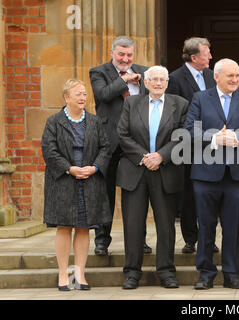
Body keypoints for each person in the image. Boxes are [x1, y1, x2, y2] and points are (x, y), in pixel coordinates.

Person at [185, 58, 239, 290]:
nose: (235, 80)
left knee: (233, 227)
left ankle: (232, 274)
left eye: (237, 76)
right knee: (206, 226)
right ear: (216, 77)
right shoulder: (200, 98)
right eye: (230, 76)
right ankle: (206, 274)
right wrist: (215, 138)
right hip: (205, 176)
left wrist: (236, 137)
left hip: (236, 176)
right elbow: (189, 130)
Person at [117, 66, 189, 290]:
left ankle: (166, 272)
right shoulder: (131, 103)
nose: (158, 83)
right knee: (133, 224)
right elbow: (122, 133)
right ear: (145, 83)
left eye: (162, 80)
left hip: (165, 171)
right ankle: (132, 272)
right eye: (153, 80)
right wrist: (144, 157)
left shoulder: (180, 104)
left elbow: (183, 136)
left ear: (167, 82)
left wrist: (161, 156)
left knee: (166, 225)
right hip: (135, 171)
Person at [41, 79, 111, 291]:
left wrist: (95, 167)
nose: (83, 98)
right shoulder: (53, 122)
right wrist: (69, 168)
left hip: (89, 181)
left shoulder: (94, 121)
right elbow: (49, 151)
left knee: (83, 227)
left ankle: (79, 272)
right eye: (78, 94)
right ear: (66, 97)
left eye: (84, 94)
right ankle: (64, 273)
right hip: (63, 181)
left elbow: (105, 148)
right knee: (64, 226)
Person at [89, 36, 152, 256]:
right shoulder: (99, 72)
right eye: (121, 54)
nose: (125, 59)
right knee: (104, 194)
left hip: (137, 145)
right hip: (109, 143)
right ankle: (102, 241)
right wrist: (125, 80)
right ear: (112, 52)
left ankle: (139, 241)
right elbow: (102, 95)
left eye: (129, 55)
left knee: (139, 194)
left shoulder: (145, 72)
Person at [166, 37, 218, 254]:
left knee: (210, 194)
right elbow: (174, 112)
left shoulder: (211, 75)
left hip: (212, 144)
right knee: (189, 194)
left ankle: (209, 238)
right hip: (187, 145)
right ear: (194, 57)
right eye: (207, 54)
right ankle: (190, 238)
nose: (211, 57)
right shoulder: (175, 78)